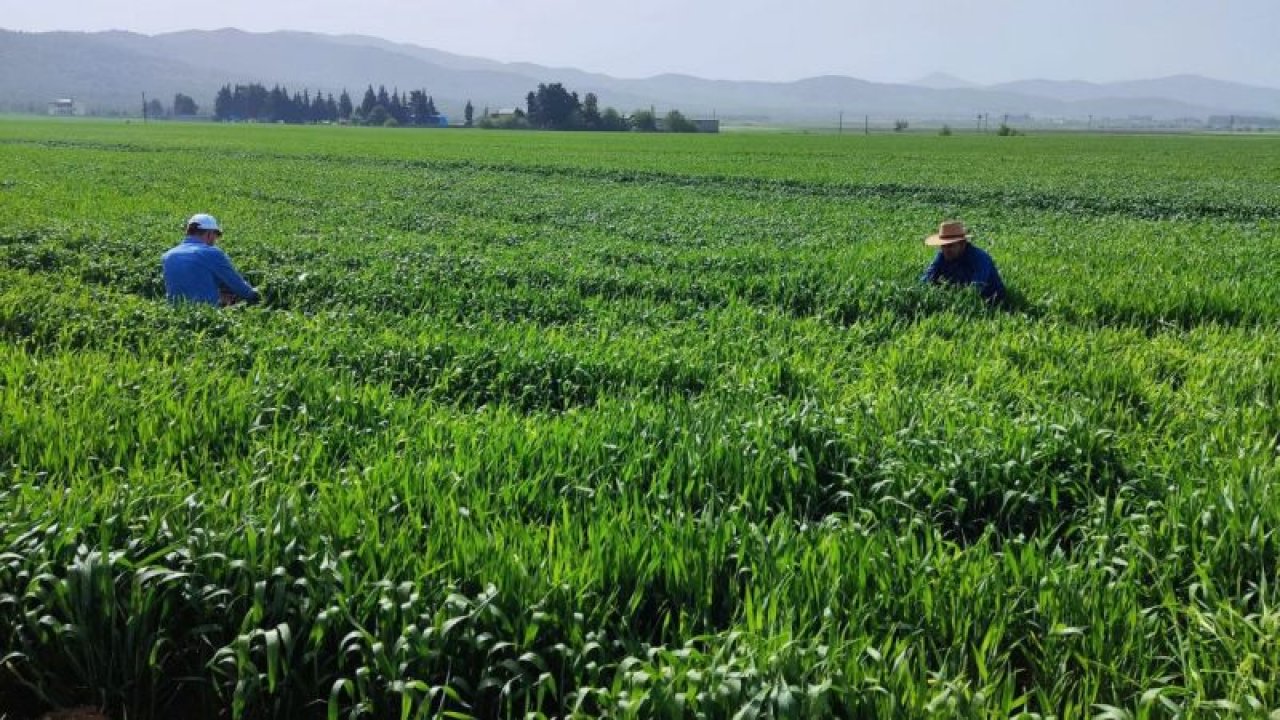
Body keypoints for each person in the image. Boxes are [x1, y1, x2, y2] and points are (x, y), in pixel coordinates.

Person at [162, 213, 260, 306]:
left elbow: (190, 284)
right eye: (216, 235)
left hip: (175, 309)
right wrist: (255, 295)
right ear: (209, 234)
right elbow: (236, 284)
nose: (215, 239)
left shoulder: (168, 255)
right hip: (206, 310)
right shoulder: (211, 252)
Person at [919, 220, 1006, 302]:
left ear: (962, 244)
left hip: (990, 301)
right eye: (943, 246)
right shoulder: (942, 255)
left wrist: (954, 301)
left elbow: (977, 287)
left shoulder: (979, 257)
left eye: (950, 246)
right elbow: (928, 276)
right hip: (957, 295)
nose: (945, 250)